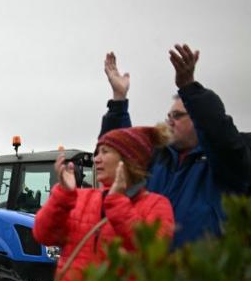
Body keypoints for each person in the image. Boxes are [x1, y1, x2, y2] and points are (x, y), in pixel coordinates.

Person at [101, 44, 251, 249]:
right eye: (168, 116)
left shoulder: (226, 164)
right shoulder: (157, 159)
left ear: (197, 118)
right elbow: (118, 154)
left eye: (178, 116)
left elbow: (220, 134)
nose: (170, 121)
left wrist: (189, 87)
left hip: (199, 275)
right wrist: (119, 100)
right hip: (153, 274)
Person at [33, 126, 175, 281]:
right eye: (97, 152)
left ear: (128, 160)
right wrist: (62, 195)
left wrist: (117, 202)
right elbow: (42, 233)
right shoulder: (81, 198)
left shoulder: (157, 205)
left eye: (105, 152)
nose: (96, 159)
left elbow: (152, 253)